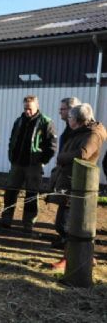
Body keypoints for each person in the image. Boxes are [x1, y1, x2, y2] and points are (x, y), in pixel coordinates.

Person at [48, 103, 106, 269]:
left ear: (79, 119)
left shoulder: (93, 134)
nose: (68, 119)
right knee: (64, 223)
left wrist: (61, 157)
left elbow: (83, 154)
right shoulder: (80, 131)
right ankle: (84, 255)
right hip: (68, 180)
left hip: (77, 183)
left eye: (71, 117)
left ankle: (72, 257)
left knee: (65, 223)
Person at [0, 95, 57, 233]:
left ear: (37, 106)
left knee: (31, 195)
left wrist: (42, 161)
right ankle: (6, 219)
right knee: (10, 192)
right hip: (17, 164)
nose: (27, 111)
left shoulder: (46, 122)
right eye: (25, 108)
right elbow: (11, 140)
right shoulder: (19, 121)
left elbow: (52, 146)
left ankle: (28, 223)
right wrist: (11, 157)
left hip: (34, 165)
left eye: (30, 109)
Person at [50, 97, 82, 248]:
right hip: (63, 172)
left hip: (71, 176)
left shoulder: (76, 131)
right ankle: (64, 239)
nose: (59, 111)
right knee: (62, 211)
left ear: (71, 110)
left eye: (62, 109)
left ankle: (70, 245)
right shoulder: (68, 128)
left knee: (65, 215)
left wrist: (61, 158)